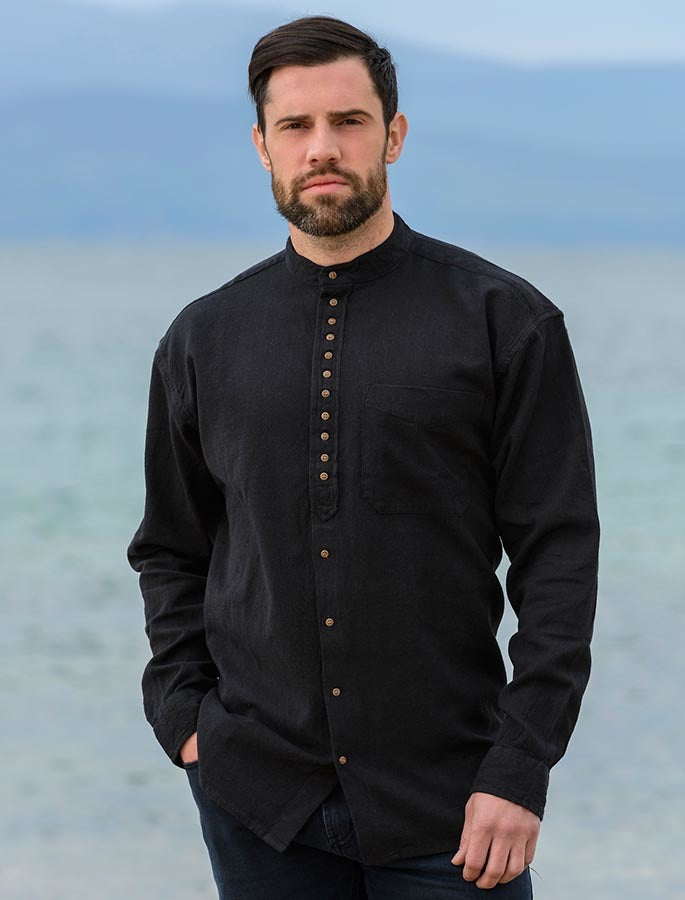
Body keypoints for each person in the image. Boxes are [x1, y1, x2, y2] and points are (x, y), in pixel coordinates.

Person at [127, 15, 600, 900]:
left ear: (394, 134)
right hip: (257, 799)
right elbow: (171, 548)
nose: (322, 148)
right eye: (295, 126)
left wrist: (521, 764)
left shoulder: (503, 320)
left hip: (457, 803)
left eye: (348, 121)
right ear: (261, 146)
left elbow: (559, 557)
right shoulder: (202, 338)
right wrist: (184, 719)